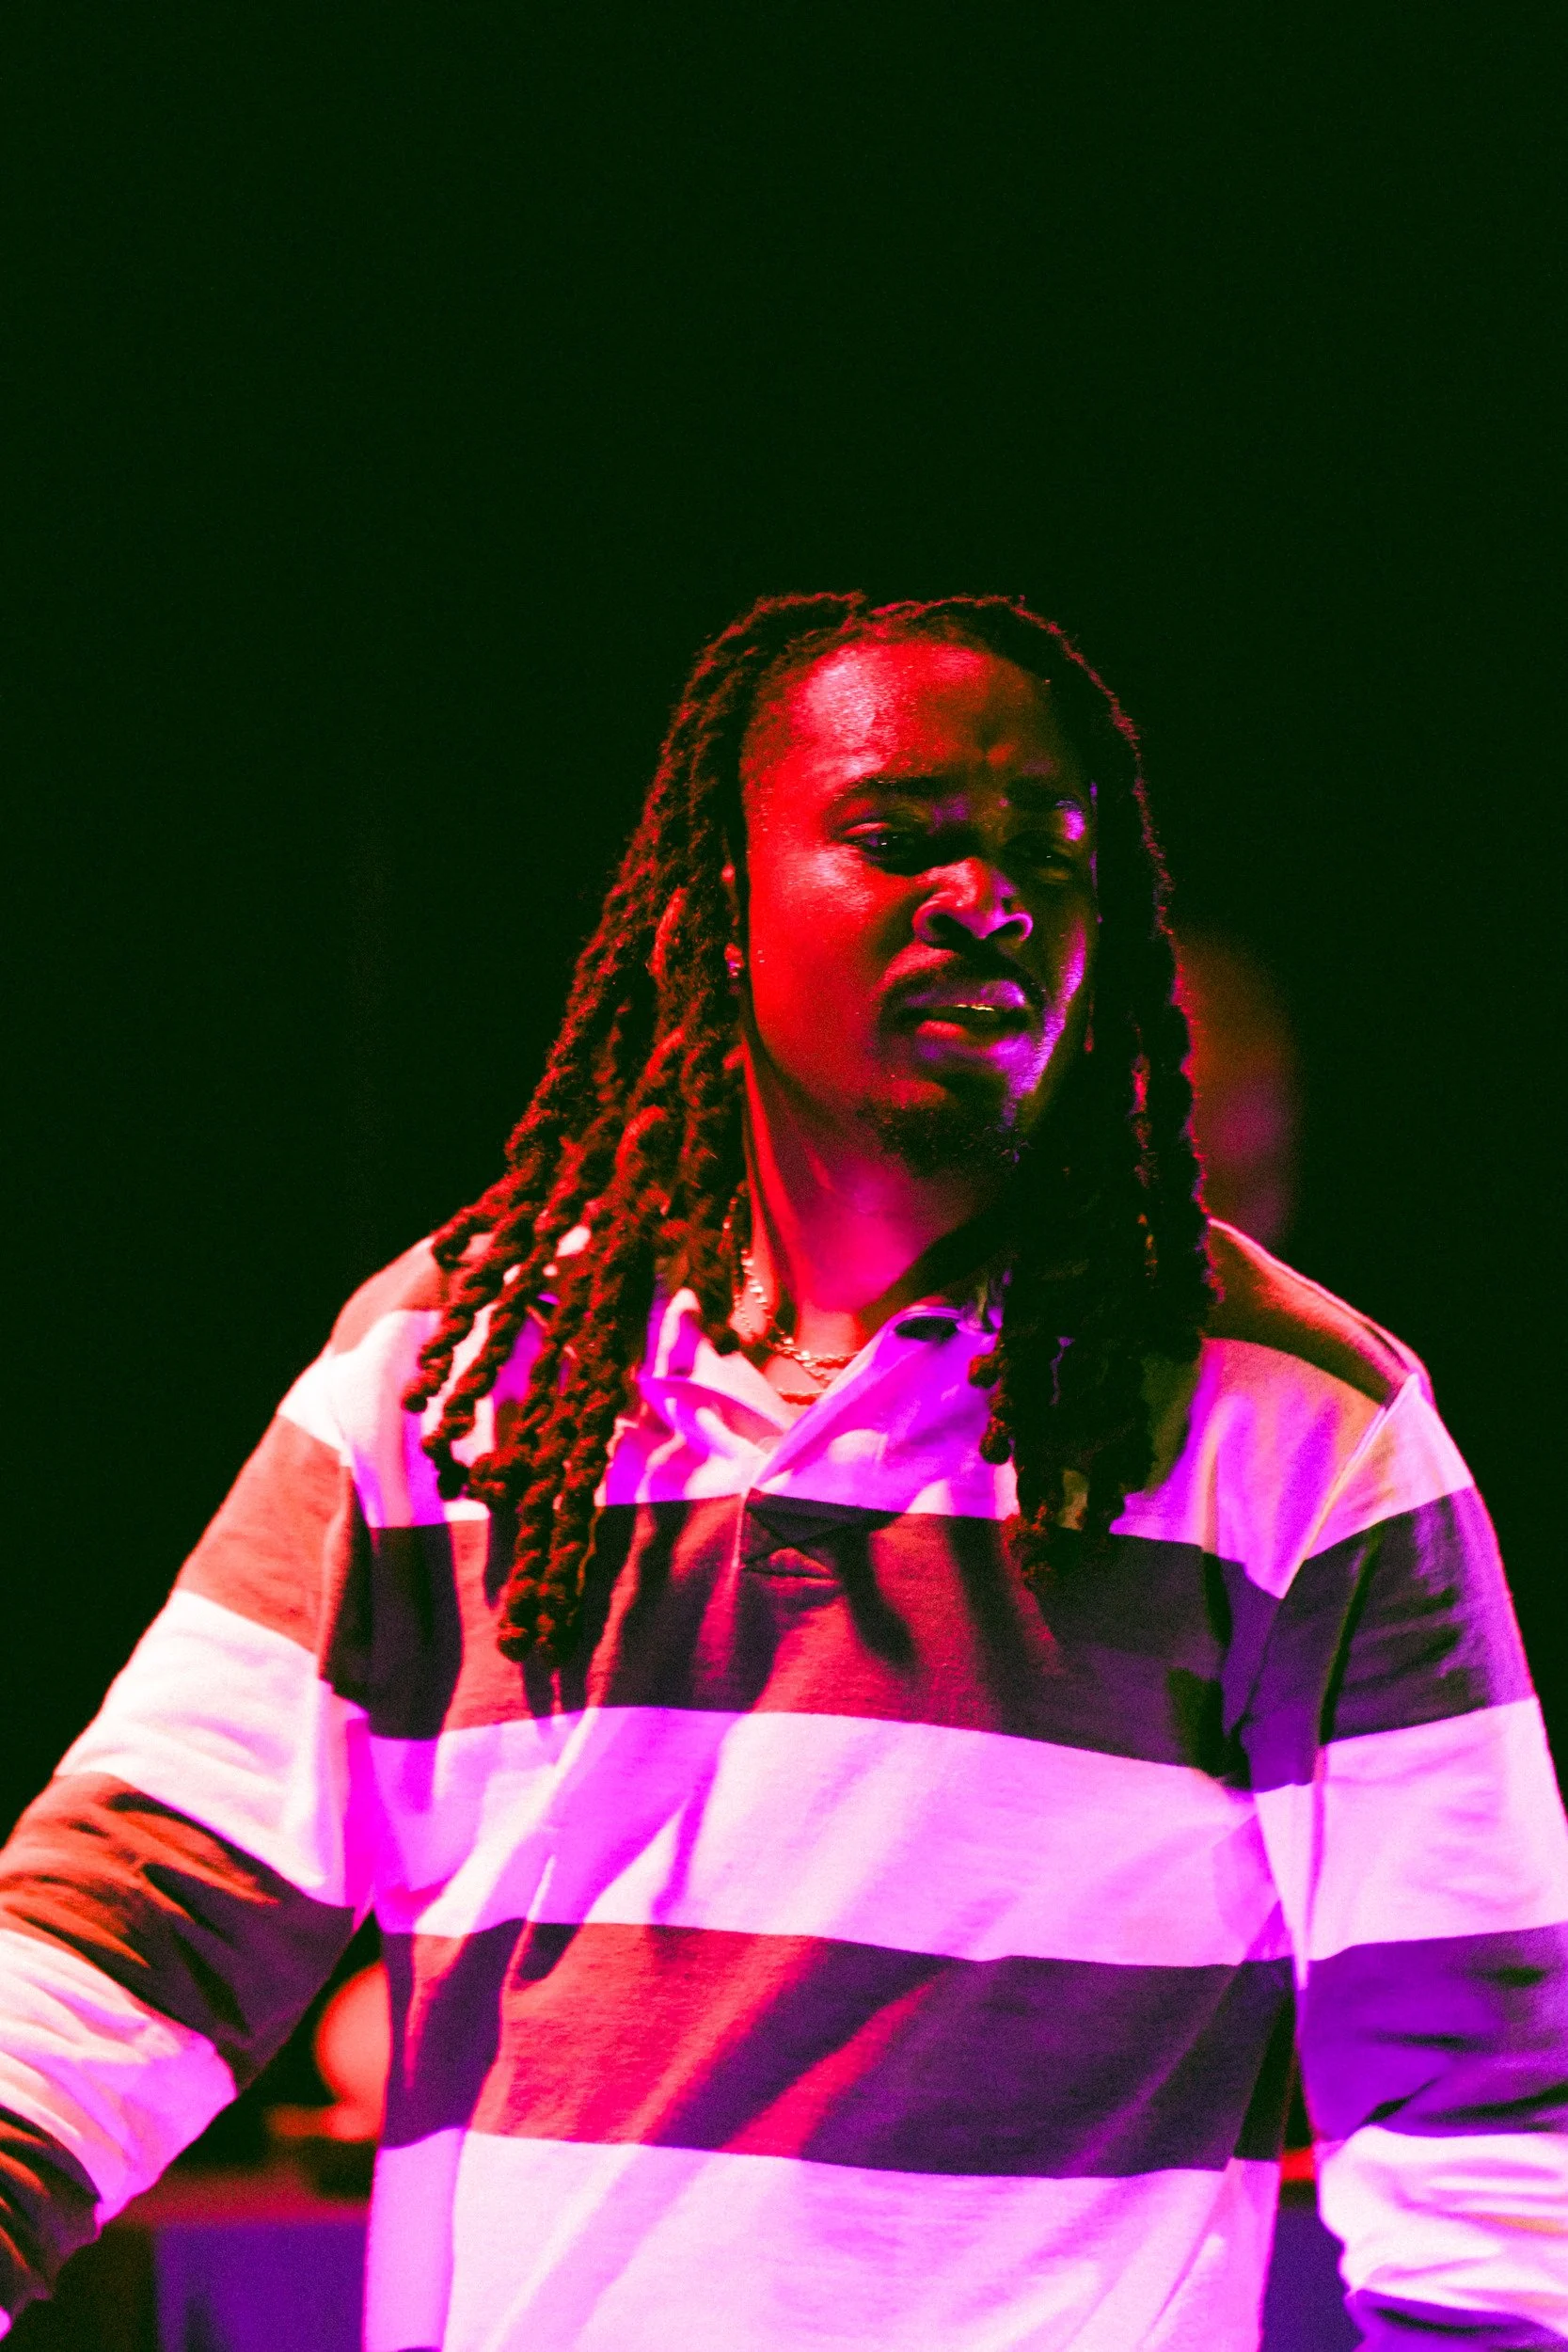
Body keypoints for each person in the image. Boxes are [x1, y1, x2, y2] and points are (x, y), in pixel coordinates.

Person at [0, 594, 1562, 2350]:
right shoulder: (455, 1370)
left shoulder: (1300, 1430)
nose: (988, 899)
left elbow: (1484, 2082)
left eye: (1047, 857)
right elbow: (140, 1905)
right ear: (714, 919)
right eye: (898, 838)